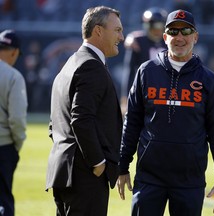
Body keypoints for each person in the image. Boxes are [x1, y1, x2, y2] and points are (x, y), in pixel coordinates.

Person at [117, 9, 214, 216]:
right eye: (173, 31)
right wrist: (123, 165)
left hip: (190, 179)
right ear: (165, 37)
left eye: (186, 31)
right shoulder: (146, 71)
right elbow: (132, 122)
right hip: (149, 178)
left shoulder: (209, 80)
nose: (180, 37)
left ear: (195, 37)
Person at [45, 6, 124, 216]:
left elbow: (55, 124)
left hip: (64, 172)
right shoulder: (91, 66)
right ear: (98, 31)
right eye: (117, 30)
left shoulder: (70, 63)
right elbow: (80, 119)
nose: (121, 37)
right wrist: (98, 162)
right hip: (85, 175)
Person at [0, 29, 27, 216]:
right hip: (3, 146)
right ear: (14, 51)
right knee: (3, 201)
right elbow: (17, 119)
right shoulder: (13, 76)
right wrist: (17, 144)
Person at [121, 7, 168, 112]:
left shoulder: (169, 42)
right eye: (154, 27)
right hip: (143, 90)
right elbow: (129, 71)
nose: (157, 31)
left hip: (165, 90)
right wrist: (126, 96)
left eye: (160, 27)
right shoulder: (138, 42)